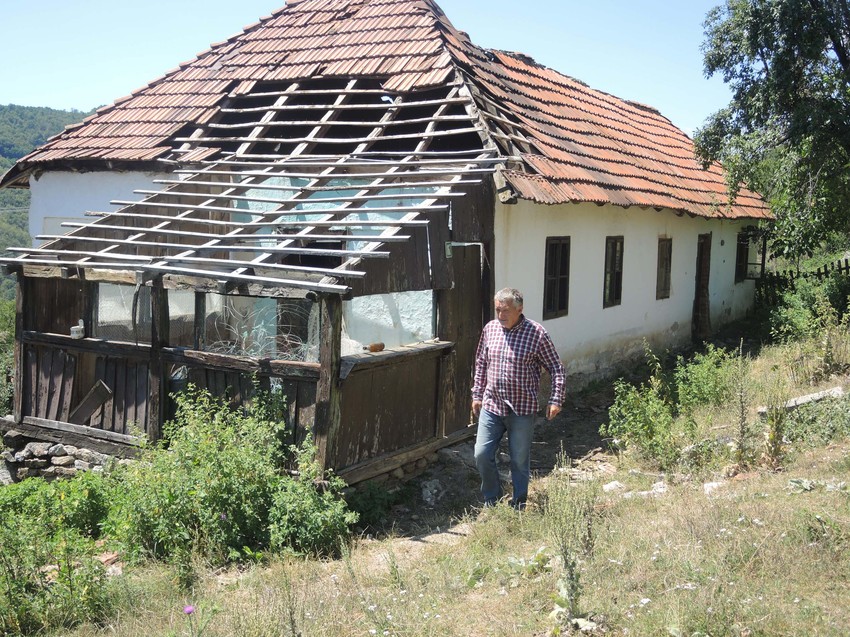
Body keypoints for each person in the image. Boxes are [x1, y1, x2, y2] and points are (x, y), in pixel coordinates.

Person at [471, 288, 565, 509]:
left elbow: (556, 367)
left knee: (519, 460)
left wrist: (556, 399)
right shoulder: (490, 329)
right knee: (481, 454)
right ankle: (491, 499)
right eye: (497, 310)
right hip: (492, 404)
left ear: (520, 310)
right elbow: (481, 363)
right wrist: (477, 394)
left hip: (522, 409)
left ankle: (519, 504)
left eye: (506, 311)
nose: (501, 315)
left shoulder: (537, 333)